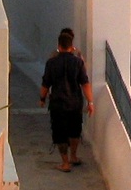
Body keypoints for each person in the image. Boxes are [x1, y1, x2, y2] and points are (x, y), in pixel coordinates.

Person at [39, 28, 92, 172]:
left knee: (60, 133)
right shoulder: (78, 62)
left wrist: (42, 98)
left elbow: (45, 84)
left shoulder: (51, 62)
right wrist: (90, 102)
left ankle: (65, 163)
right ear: (71, 45)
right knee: (75, 131)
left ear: (59, 45)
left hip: (58, 104)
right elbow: (85, 83)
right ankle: (74, 156)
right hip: (75, 103)